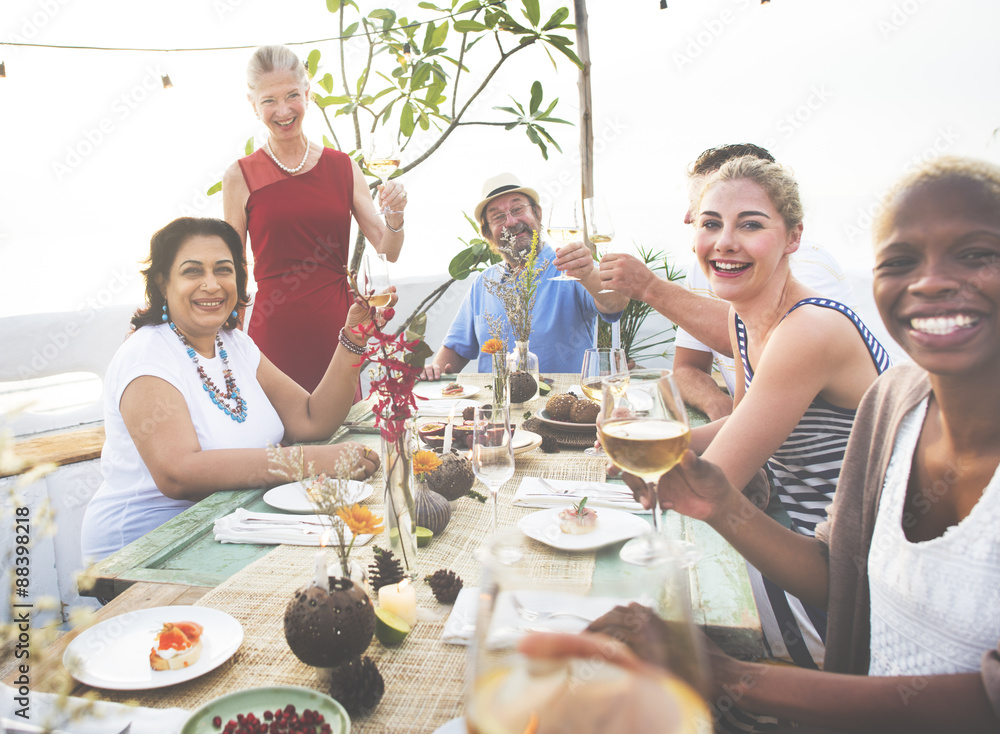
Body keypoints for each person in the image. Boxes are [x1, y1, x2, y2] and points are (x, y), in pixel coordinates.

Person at [610, 156, 1000, 732]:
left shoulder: (813, 329)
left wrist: (726, 674)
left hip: (823, 618)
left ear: (794, 238)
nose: (932, 281)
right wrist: (705, 491)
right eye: (900, 260)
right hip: (820, 577)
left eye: (976, 254)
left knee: (664, 608)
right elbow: (841, 569)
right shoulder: (900, 402)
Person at [643, 156, 889, 674]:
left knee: (650, 626)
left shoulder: (809, 330)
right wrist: (665, 442)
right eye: (712, 223)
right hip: (795, 539)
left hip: (844, 596)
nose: (724, 241)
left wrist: (655, 460)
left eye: (750, 224)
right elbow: (744, 420)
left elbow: (712, 484)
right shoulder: (745, 316)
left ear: (793, 237)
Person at [81, 217, 384, 561]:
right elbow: (178, 473)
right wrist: (313, 461)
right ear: (163, 283)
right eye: (193, 272)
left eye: (223, 270)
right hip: (147, 550)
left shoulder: (235, 345)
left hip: (232, 528)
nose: (211, 284)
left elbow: (312, 419)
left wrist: (353, 339)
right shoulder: (146, 355)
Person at [599, 144, 856, 421]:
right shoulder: (717, 277)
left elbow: (776, 341)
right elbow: (689, 368)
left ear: (792, 235)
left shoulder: (808, 268)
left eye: (750, 223)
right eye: (708, 217)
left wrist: (651, 288)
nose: (688, 217)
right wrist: (718, 407)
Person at [223, 44, 407, 392]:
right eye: (269, 101)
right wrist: (228, 345)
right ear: (253, 105)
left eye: (292, 95)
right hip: (272, 332)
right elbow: (233, 269)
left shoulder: (342, 167)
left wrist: (395, 215)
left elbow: (388, 249)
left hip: (337, 333)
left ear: (308, 94)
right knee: (277, 441)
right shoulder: (239, 176)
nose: (283, 111)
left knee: (345, 438)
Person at [420, 173, 627, 378]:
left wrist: (588, 273)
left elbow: (615, 302)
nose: (510, 221)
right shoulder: (484, 283)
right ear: (487, 233)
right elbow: (455, 350)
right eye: (498, 217)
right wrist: (433, 371)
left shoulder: (574, 267)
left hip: (562, 406)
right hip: (497, 407)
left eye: (517, 209)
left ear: (537, 212)